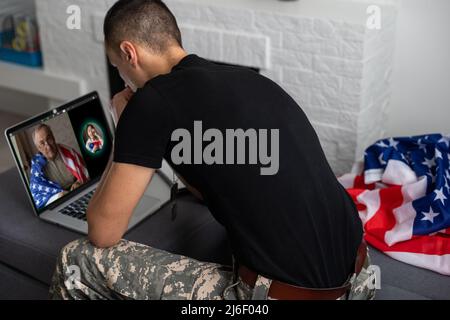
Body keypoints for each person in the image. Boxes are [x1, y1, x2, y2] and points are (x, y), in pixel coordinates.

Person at [50, 0, 376, 300]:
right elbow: (210, 181)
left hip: (274, 298)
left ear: (129, 52)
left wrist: (125, 135)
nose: (122, 80)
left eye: (117, 66)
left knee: (75, 259)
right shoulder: (247, 81)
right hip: (359, 279)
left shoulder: (150, 102)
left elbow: (103, 233)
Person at [30, 124, 90, 209]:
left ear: (53, 137)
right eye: (42, 143)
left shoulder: (69, 152)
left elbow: (85, 172)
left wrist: (78, 182)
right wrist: (58, 196)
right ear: (38, 148)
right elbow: (39, 198)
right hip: (59, 202)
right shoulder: (37, 169)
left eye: (49, 139)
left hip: (77, 192)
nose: (48, 146)